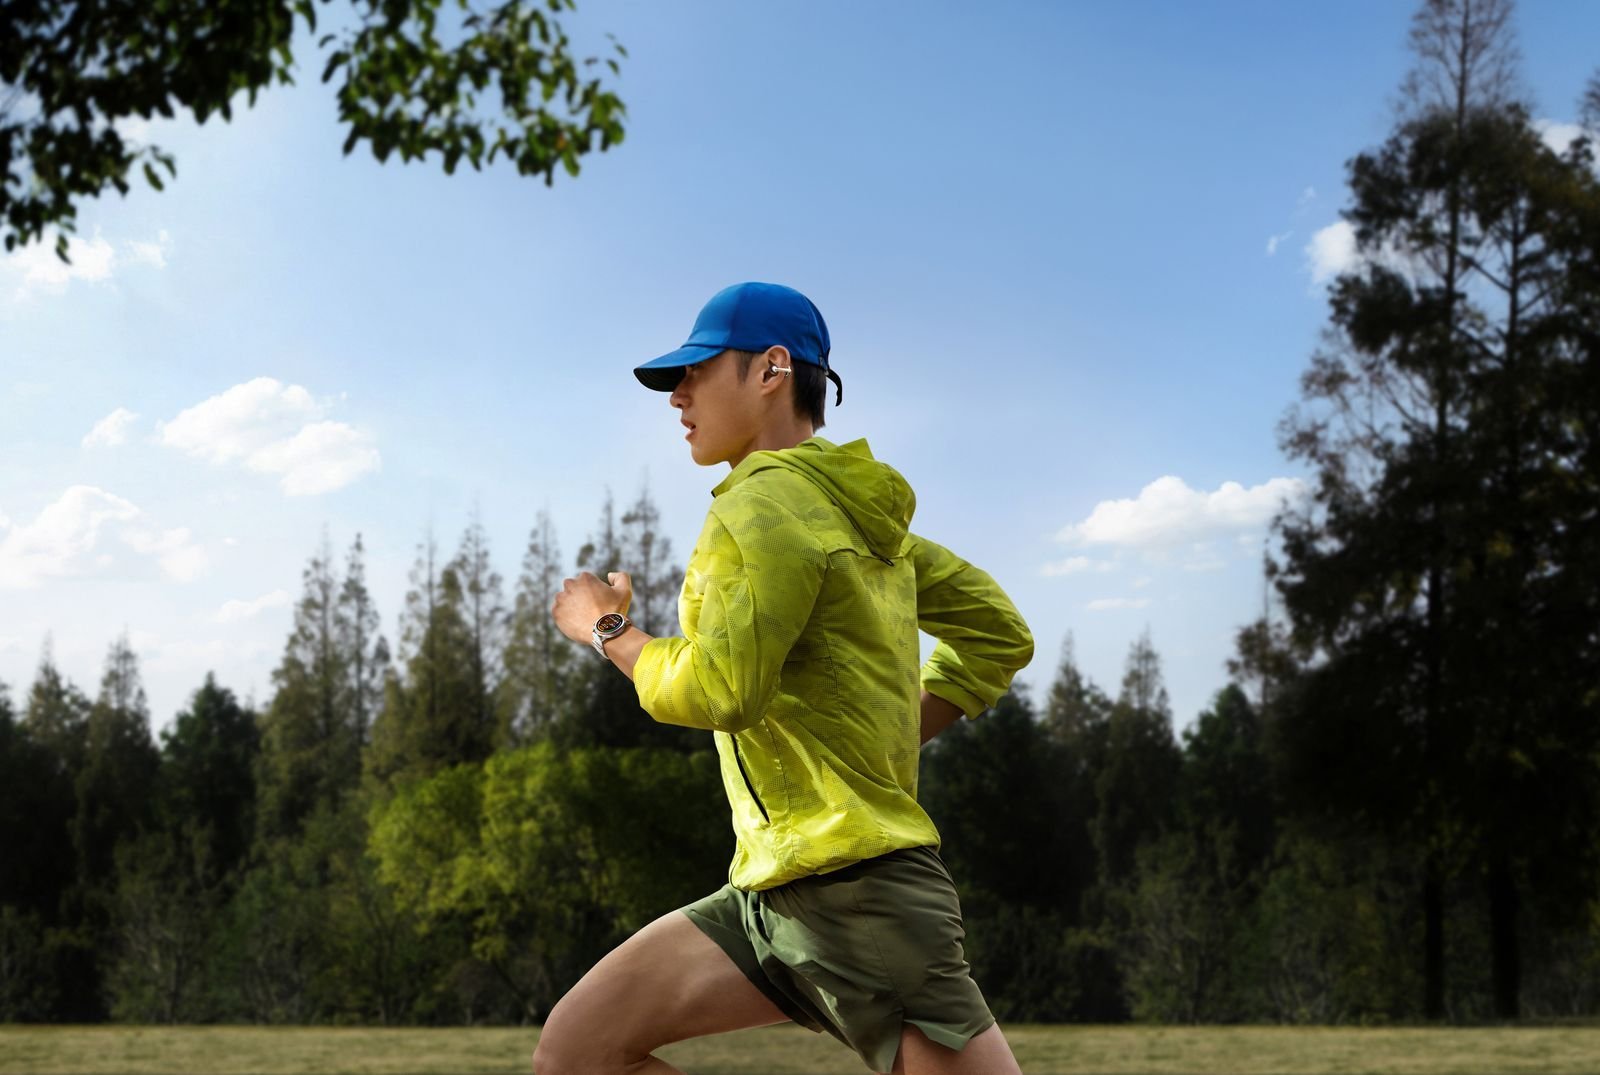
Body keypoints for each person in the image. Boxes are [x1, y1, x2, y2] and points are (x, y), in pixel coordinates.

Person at [539, 282, 1033, 1075]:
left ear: (772, 370)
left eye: (698, 369)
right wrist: (883, 739)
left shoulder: (762, 504)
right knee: (580, 1045)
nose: (679, 396)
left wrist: (609, 631)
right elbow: (997, 630)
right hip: (768, 898)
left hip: (858, 897)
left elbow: (720, 692)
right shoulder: (862, 522)